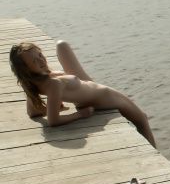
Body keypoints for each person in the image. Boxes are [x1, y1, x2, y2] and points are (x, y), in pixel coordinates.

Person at [8, 41, 156, 147]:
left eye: (40, 55)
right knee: (142, 119)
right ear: (26, 69)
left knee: (61, 45)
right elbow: (53, 121)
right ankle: (156, 161)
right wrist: (80, 115)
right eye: (35, 61)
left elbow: (32, 113)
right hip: (104, 97)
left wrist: (51, 105)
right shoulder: (54, 84)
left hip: (86, 91)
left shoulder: (33, 83)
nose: (42, 60)